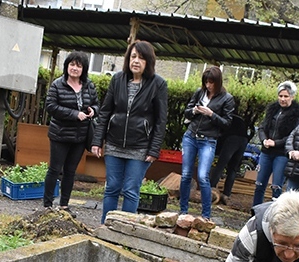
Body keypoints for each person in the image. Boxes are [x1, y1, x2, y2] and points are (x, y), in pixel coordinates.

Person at [91, 40, 168, 223]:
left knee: (131, 190)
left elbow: (161, 119)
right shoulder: (117, 79)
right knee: (112, 188)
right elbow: (105, 111)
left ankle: (125, 230)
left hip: (140, 146)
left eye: (141, 58)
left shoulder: (158, 84)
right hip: (114, 143)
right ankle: (106, 227)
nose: (136, 61)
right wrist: (97, 140)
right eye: (133, 56)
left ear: (148, 61)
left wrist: (154, 149)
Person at [43, 51, 99, 212]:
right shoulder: (57, 84)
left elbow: (97, 104)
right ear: (66, 66)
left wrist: (92, 111)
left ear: (84, 69)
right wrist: (74, 114)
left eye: (78, 66)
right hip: (60, 134)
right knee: (54, 169)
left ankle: (64, 205)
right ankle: (47, 205)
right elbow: (51, 107)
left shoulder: (89, 85)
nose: (74, 68)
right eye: (72, 64)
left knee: (70, 171)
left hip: (80, 136)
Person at [178, 66, 234, 220]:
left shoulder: (227, 98)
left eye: (211, 82)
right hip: (191, 136)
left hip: (208, 140)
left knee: (203, 176)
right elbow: (187, 111)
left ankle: (206, 215)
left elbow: (227, 123)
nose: (208, 85)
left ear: (218, 82)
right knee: (186, 175)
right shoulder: (199, 92)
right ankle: (183, 211)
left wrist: (211, 114)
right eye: (206, 82)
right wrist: (195, 111)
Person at [252, 81, 299, 207]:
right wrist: (264, 140)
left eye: (286, 96)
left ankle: (275, 215)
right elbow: (262, 128)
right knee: (259, 184)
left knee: (276, 186)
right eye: (280, 96)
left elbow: (294, 135)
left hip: (282, 153)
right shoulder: (272, 109)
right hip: (266, 152)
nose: (283, 99)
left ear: (292, 96)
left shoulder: (297, 113)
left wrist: (275, 143)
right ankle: (255, 212)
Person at [210, 114, 251, 205]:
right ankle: (227, 194)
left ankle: (211, 188)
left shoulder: (225, 117)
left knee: (221, 165)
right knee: (233, 168)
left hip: (232, 139)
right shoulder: (239, 119)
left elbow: (220, 134)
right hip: (243, 140)